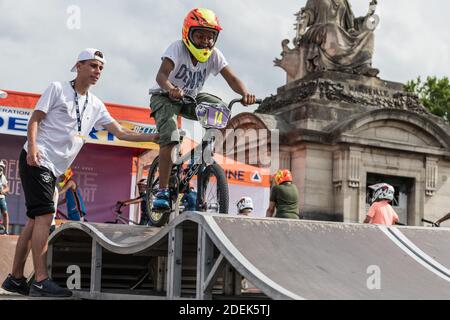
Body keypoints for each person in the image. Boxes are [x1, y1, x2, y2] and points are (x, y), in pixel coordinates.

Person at [1, 48, 159, 298]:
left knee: (34, 221)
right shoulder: (57, 88)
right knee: (44, 215)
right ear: (78, 66)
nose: (97, 71)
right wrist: (31, 148)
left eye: (101, 68)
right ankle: (41, 280)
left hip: (54, 168)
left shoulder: (96, 105)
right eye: (93, 65)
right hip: (38, 157)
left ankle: (16, 279)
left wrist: (156, 137)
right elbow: (35, 120)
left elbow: (121, 133)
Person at [149, 8, 256, 211]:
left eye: (210, 37)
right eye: (200, 35)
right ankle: (162, 191)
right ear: (188, 33)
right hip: (165, 97)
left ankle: (204, 151)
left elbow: (232, 78)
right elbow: (161, 76)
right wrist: (171, 89)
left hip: (190, 98)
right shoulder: (177, 48)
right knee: (170, 137)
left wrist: (244, 94)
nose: (205, 41)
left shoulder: (214, 55)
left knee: (221, 108)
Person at [0, 161, 10, 234]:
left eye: (2, 168)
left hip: (1, 197)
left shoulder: (3, 177)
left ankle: (6, 230)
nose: (1, 169)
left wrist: (3, 191)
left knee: (5, 213)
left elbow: (7, 188)